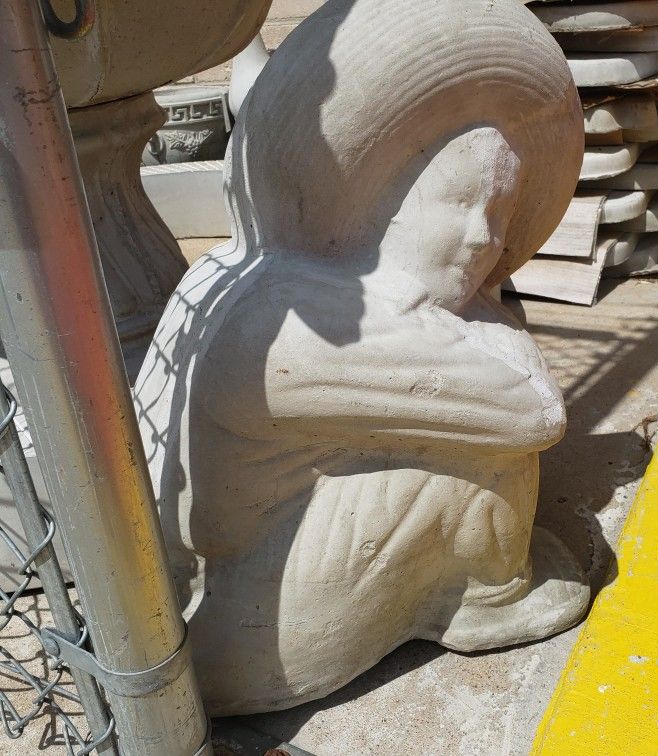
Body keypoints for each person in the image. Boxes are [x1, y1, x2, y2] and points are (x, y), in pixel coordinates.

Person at [135, 0, 587, 715]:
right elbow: (533, 407)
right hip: (246, 645)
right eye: (459, 202)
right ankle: (486, 599)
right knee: (484, 455)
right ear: (382, 197)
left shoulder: (244, 271)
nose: (484, 239)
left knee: (463, 410)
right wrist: (488, 336)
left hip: (196, 605)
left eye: (499, 214)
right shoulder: (311, 323)